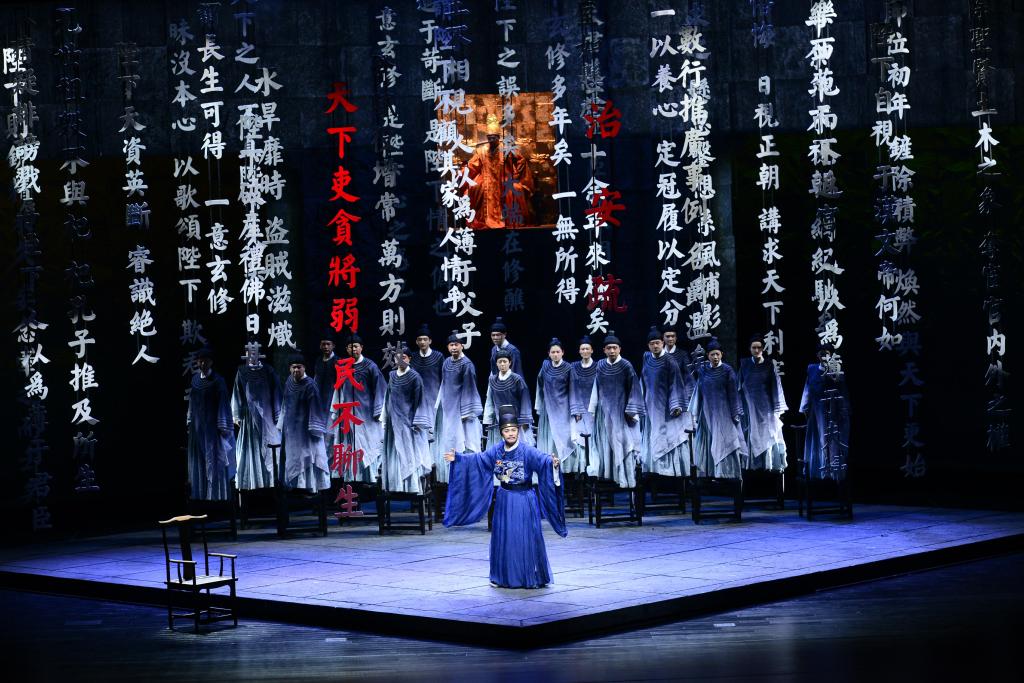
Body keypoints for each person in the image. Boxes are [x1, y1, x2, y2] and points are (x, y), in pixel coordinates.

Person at [443, 407, 566, 589]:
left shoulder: (527, 451)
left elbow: (543, 460)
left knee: (523, 538)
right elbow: (478, 460)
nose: (511, 434)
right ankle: (502, 576)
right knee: (504, 539)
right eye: (507, 430)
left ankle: (526, 576)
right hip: (504, 499)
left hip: (523, 499)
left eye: (514, 430)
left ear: (518, 431)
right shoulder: (497, 450)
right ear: (501, 432)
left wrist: (553, 464)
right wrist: (458, 458)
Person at [587, 331, 645, 489]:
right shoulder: (600, 365)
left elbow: (634, 388)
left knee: (624, 444)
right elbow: (596, 387)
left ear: (620, 349)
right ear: (604, 350)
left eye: (614, 348)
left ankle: (627, 480)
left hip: (622, 414)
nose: (612, 351)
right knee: (606, 445)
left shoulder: (626, 365)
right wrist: (593, 409)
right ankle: (610, 478)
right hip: (604, 414)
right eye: (609, 348)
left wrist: (631, 411)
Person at [330, 334, 386, 484]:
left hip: (366, 414)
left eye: (356, 346)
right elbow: (338, 389)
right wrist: (336, 410)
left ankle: (370, 479)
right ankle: (353, 478)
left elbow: (380, 389)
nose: (353, 349)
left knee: (368, 444)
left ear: (361, 348)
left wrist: (378, 411)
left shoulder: (370, 366)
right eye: (350, 347)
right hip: (348, 413)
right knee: (350, 445)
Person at [464, 114, 535, 229]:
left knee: (513, 190)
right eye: (489, 137)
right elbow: (472, 165)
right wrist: (462, 172)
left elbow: (520, 160)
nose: (491, 140)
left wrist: (515, 175)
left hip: (504, 179)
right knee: (475, 188)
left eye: (494, 137)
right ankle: (482, 218)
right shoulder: (482, 151)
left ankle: (508, 219)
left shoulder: (506, 149)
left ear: (498, 137)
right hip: (486, 179)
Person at [688, 338, 746, 478]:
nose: (715, 357)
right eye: (712, 354)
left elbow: (733, 394)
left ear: (721, 354)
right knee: (708, 443)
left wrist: (735, 413)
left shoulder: (727, 370)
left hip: (724, 414)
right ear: (708, 356)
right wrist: (696, 414)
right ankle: (710, 475)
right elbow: (699, 392)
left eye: (717, 354)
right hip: (707, 413)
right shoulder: (703, 371)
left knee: (726, 441)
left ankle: (727, 475)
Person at [432, 330, 483, 485]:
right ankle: (453, 479)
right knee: (450, 441)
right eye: (451, 345)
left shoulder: (467, 364)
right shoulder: (446, 362)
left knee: (467, 442)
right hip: (449, 409)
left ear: (462, 346)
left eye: (456, 344)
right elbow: (444, 384)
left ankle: (470, 479)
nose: (454, 347)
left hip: (463, 412)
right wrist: (439, 405)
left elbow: (470, 388)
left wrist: (466, 412)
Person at [380, 344, 433, 494]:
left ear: (409, 358)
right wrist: (385, 419)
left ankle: (411, 487)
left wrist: (416, 422)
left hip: (409, 424)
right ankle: (395, 487)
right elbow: (388, 397)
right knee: (394, 453)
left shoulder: (415, 377)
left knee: (409, 453)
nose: (400, 360)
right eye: (397, 357)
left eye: (403, 357)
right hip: (393, 423)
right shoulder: (392, 375)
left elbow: (420, 401)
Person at [186, 348, 235, 501]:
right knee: (200, 462)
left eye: (205, 361)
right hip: (197, 429)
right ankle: (201, 496)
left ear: (211, 362)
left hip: (213, 430)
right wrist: (189, 420)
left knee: (214, 461)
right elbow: (192, 403)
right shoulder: (195, 380)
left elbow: (223, 404)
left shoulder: (218, 381)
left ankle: (216, 498)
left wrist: (223, 427)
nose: (202, 363)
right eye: (200, 361)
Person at [640, 326, 689, 478]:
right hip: (650, 404)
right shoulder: (647, 358)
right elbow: (643, 380)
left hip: (666, 405)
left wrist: (675, 404)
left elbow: (676, 383)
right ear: (648, 345)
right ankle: (653, 469)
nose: (655, 346)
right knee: (652, 434)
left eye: (657, 343)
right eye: (652, 344)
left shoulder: (670, 361)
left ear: (662, 343)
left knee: (667, 436)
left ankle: (669, 472)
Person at [232, 341, 281, 490]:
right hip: (249, 418)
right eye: (249, 352)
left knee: (269, 449)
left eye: (255, 352)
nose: (252, 355)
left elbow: (276, 393)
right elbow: (237, 393)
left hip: (267, 416)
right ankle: (252, 483)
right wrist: (237, 415)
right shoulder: (242, 371)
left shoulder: (268, 370)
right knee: (249, 450)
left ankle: (270, 483)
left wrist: (277, 415)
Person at [277, 354, 330, 492]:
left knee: (307, 457)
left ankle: (309, 487)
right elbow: (284, 404)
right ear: (290, 368)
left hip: (306, 430)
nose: (296, 370)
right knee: (292, 457)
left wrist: (314, 429)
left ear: (304, 368)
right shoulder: (289, 381)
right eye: (293, 367)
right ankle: (294, 487)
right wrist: (282, 424)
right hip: (291, 429)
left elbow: (316, 408)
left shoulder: (310, 385)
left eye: (299, 367)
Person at [799, 342, 850, 480]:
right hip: (817, 412)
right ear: (817, 355)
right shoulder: (812, 369)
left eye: (826, 354)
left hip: (833, 412)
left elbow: (843, 391)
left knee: (832, 441)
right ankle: (818, 473)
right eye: (821, 354)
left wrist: (844, 409)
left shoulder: (837, 370)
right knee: (817, 440)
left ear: (831, 355)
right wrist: (805, 407)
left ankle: (833, 474)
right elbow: (807, 389)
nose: (823, 356)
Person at [738, 334, 788, 472]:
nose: (756, 350)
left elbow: (776, 387)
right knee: (751, 435)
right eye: (754, 347)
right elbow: (738, 387)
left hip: (766, 408)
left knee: (768, 436)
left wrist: (777, 409)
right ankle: (751, 468)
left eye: (759, 347)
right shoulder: (744, 365)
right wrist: (739, 407)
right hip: (750, 408)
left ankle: (768, 466)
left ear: (763, 349)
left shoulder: (769, 365)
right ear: (750, 349)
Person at [535, 338, 576, 468]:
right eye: (553, 352)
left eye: (558, 352)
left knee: (564, 437)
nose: (555, 354)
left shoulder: (569, 368)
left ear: (562, 352)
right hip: (548, 408)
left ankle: (566, 468)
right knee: (549, 437)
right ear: (549, 353)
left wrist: (574, 410)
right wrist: (539, 405)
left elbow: (573, 390)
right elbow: (539, 384)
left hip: (563, 409)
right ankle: (548, 465)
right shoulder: (545, 366)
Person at [483, 348, 534, 448]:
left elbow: (525, 400)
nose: (502, 364)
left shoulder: (517, 379)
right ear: (496, 363)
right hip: (499, 419)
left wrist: (524, 420)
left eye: (504, 361)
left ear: (510, 362)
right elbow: (490, 400)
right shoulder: (492, 380)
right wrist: (488, 418)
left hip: (516, 420)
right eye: (500, 362)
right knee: (500, 447)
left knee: (519, 446)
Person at [567, 335, 598, 474]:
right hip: (579, 409)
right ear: (579, 351)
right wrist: (576, 410)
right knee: (579, 438)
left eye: (587, 349)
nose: (585, 351)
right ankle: (581, 470)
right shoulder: (573, 367)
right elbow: (571, 389)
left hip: (593, 409)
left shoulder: (598, 366)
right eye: (582, 349)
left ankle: (595, 470)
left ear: (592, 350)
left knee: (594, 438)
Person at [313, 333, 339, 459]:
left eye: (328, 344)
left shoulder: (338, 362)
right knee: (318, 431)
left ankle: (330, 462)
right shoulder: (318, 361)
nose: (326, 347)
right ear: (320, 345)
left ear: (333, 346)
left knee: (330, 433)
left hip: (332, 402)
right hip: (319, 403)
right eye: (323, 344)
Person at [409, 323, 444, 412]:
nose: (422, 342)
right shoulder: (412, 357)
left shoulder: (438, 356)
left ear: (430, 341)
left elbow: (444, 378)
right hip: (417, 397)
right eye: (420, 340)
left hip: (435, 397)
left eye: (425, 339)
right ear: (416, 342)